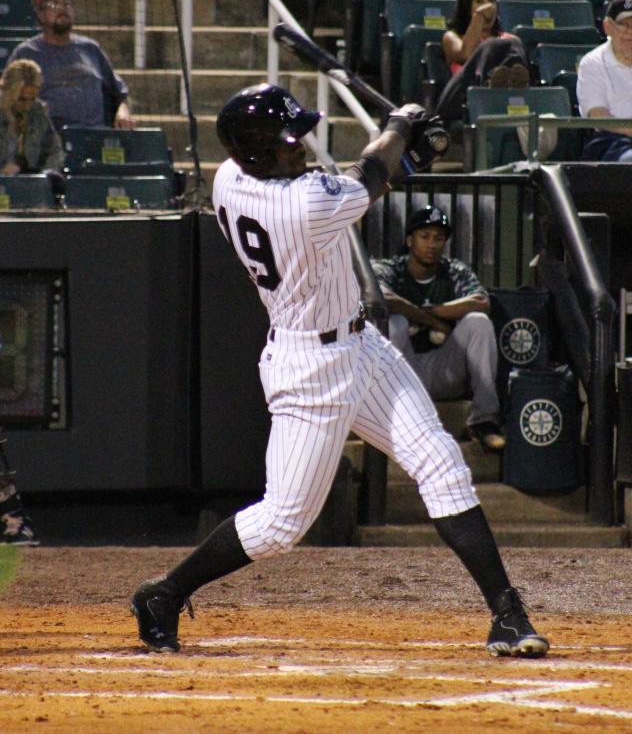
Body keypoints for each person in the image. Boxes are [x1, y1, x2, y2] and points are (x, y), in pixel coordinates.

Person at [130, 82, 548, 660]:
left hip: (360, 344)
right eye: (287, 141)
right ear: (256, 153)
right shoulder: (302, 203)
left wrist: (400, 152)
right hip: (310, 368)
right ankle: (165, 594)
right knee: (281, 524)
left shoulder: (229, 177)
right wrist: (401, 125)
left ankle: (506, 611)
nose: (300, 145)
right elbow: (369, 173)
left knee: (441, 462)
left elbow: (363, 177)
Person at [371, 205, 505, 453]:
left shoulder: (453, 270)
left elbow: (481, 301)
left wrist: (430, 312)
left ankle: (484, 421)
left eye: (438, 238)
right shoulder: (391, 268)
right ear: (410, 240)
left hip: (445, 369)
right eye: (424, 236)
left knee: (478, 322)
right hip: (403, 370)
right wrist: (435, 322)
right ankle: (386, 416)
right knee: (394, 323)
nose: (432, 244)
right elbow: (382, 298)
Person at [8, 0, 134, 133]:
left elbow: (119, 94)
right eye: (54, 4)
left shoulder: (90, 49)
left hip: (95, 139)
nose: (63, 9)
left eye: (67, 4)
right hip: (48, 144)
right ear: (40, 15)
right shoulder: (26, 53)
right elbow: (7, 103)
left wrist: (123, 112)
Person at [435, 0, 531, 123]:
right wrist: (478, 17)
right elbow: (464, 55)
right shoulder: (452, 37)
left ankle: (505, 91)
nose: (488, 6)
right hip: (460, 100)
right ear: (467, 7)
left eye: (491, 1)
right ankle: (490, 87)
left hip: (504, 105)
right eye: (479, 1)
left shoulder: (510, 41)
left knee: (514, 42)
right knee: (491, 45)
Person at [577, 0, 632, 161]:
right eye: (624, 25)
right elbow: (597, 114)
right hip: (612, 140)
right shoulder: (592, 63)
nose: (630, 32)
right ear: (608, 27)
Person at [0, 59, 63, 176]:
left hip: (31, 183)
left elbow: (54, 150)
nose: (28, 106)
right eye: (22, 99)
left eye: (32, 99)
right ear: (6, 91)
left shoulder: (38, 110)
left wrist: (47, 174)